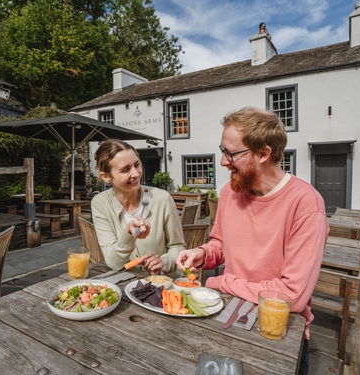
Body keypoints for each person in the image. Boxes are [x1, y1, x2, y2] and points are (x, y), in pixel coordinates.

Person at [175, 107, 328, 374]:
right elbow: (221, 244)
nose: (223, 162)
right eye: (223, 151)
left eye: (231, 154)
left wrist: (221, 281)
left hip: (278, 332)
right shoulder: (229, 192)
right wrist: (203, 253)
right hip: (226, 315)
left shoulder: (306, 204)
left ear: (263, 153)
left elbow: (292, 296)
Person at [91, 139, 185, 276]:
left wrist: (163, 262)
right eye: (125, 169)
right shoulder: (100, 203)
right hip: (127, 285)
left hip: (164, 283)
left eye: (137, 165)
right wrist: (128, 234)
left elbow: (177, 247)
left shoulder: (162, 199)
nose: (135, 173)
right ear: (106, 176)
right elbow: (113, 262)